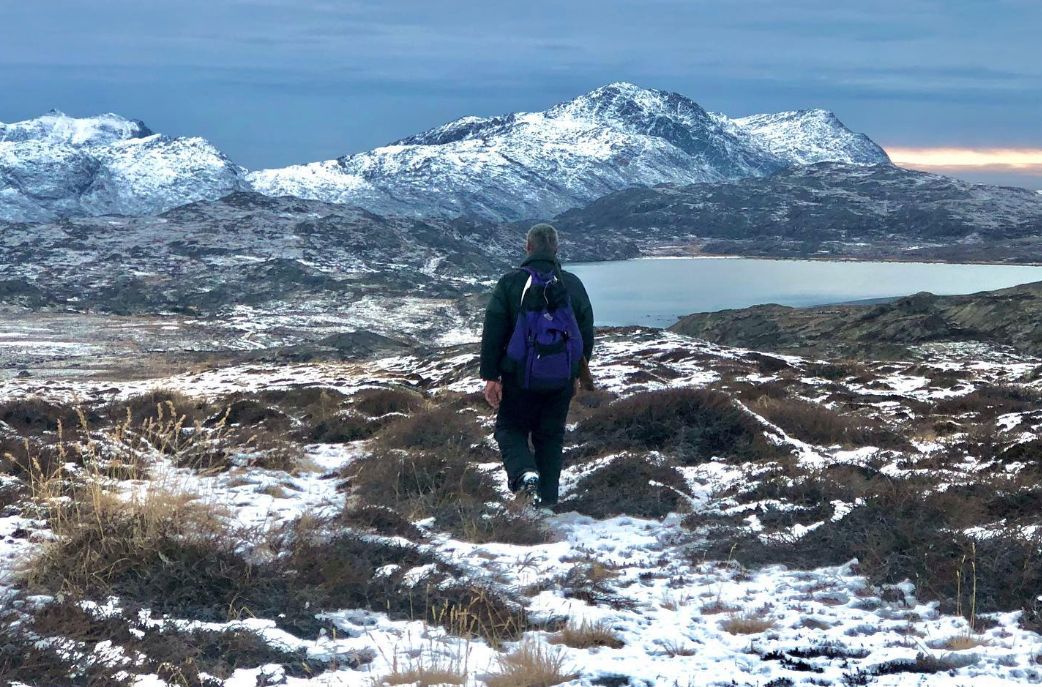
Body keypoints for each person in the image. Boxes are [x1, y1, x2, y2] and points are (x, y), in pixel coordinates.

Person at [479, 223, 594, 508]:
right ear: (556, 248)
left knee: (510, 428)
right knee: (550, 437)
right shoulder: (572, 284)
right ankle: (548, 504)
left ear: (527, 247)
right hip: (560, 379)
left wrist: (491, 375)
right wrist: (576, 373)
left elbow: (494, 329)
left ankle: (524, 474)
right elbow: (585, 333)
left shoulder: (510, 283)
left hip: (519, 377)